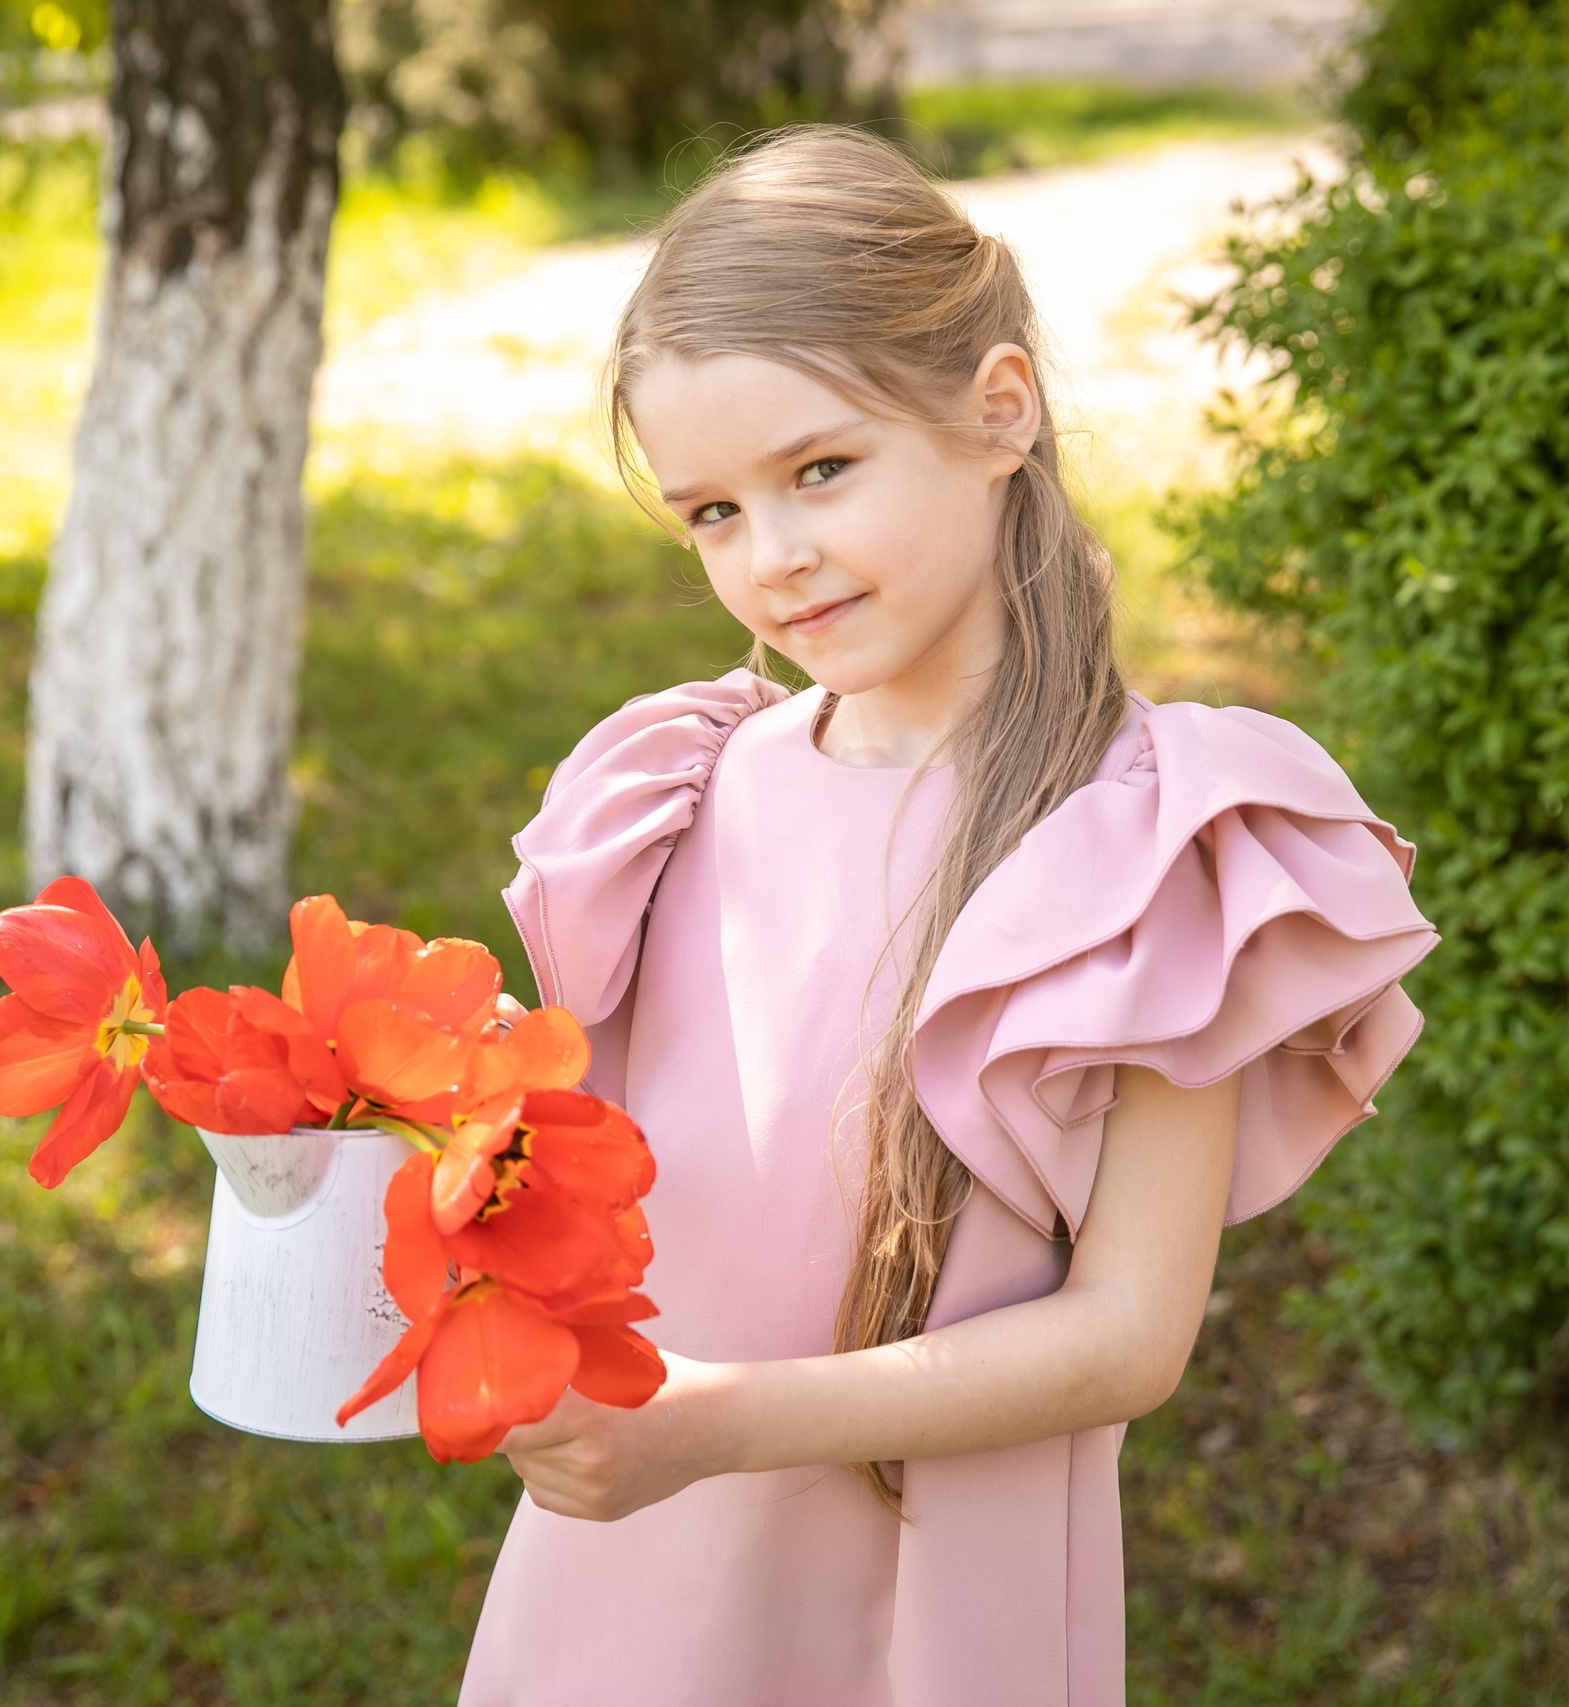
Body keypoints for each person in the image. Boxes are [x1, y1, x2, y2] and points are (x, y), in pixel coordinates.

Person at [462, 127, 1439, 1707]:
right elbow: (641, 1181)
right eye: (711, 512)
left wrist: (713, 1424)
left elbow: (1128, 1336)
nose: (770, 558)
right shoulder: (679, 798)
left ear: (999, 410)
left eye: (820, 471)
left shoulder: (1150, 849)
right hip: (631, 1568)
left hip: (931, 1599)